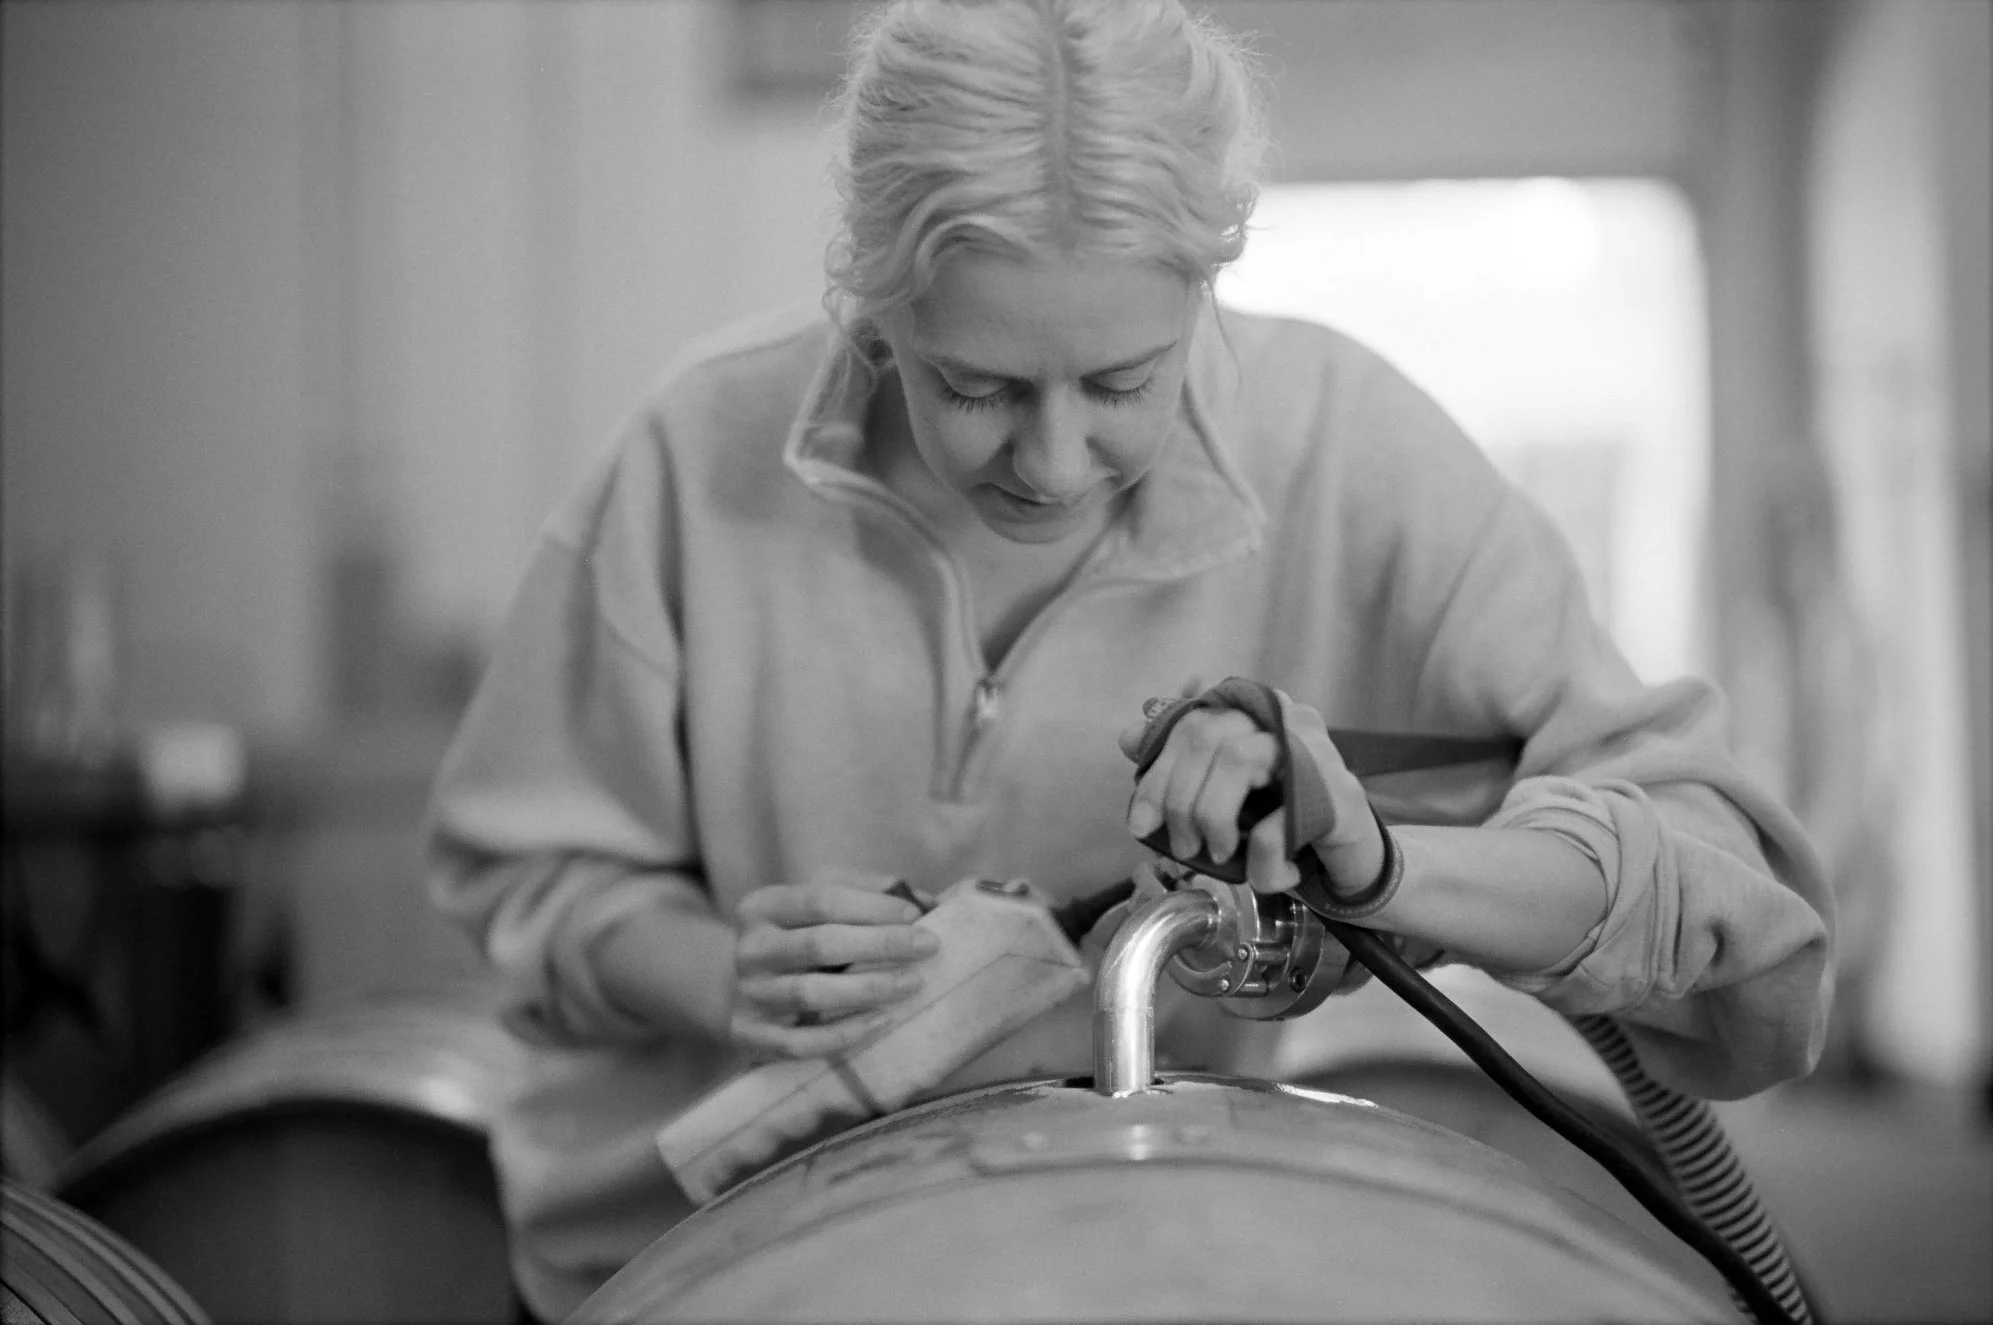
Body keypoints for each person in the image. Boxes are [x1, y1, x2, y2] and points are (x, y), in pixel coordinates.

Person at [424, 0, 1834, 1318]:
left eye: (1121, 384)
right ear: (872, 307)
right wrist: (717, 965)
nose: (1050, 462)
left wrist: (1390, 869)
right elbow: (523, 876)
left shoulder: (1347, 446)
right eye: (972, 388)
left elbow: (1734, 914)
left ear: (1208, 282)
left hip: (1142, 1230)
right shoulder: (695, 459)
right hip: (705, 1254)